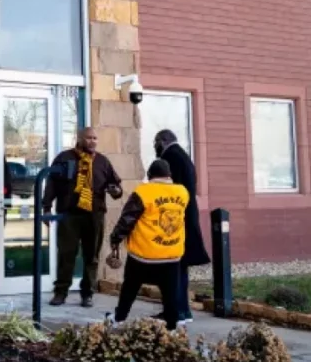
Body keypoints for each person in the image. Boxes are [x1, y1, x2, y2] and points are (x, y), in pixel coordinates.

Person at [41, 127, 123, 307]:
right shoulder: (64, 158)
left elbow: (116, 186)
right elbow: (52, 184)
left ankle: (87, 293)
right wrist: (46, 208)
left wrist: (115, 191)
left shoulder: (102, 161)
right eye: (89, 138)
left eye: (95, 138)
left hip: (94, 215)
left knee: (92, 256)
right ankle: (61, 292)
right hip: (69, 214)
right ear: (78, 138)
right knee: (66, 254)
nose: (93, 141)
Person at [108, 158, 189, 330]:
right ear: (169, 175)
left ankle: (119, 318)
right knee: (170, 293)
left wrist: (115, 239)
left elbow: (127, 220)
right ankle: (172, 326)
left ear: (150, 175)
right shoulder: (183, 192)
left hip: (144, 254)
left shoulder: (143, 192)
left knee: (130, 288)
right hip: (171, 254)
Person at [155, 129, 209, 324]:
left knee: (172, 268)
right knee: (180, 267)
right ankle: (183, 311)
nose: (155, 147)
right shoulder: (184, 157)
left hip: (175, 221)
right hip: (186, 218)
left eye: (156, 142)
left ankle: (175, 312)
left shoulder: (169, 158)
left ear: (163, 141)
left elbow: (167, 191)